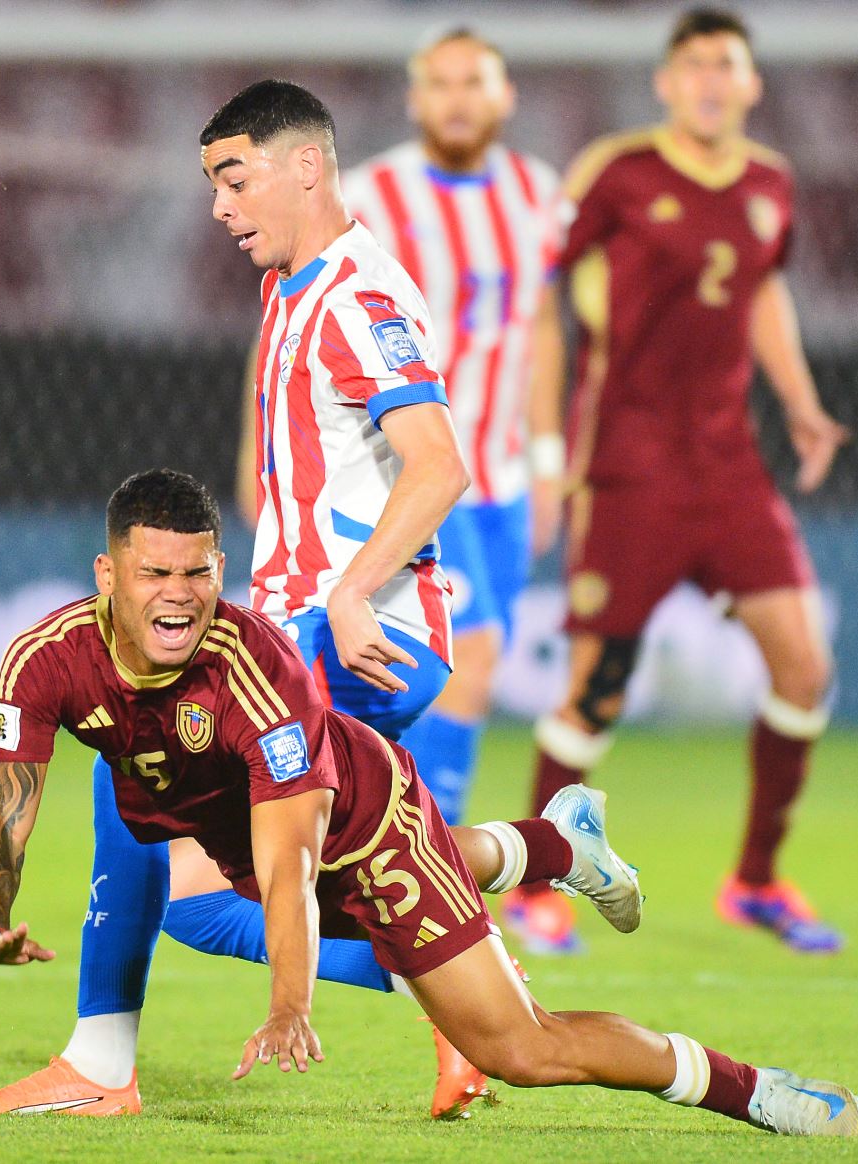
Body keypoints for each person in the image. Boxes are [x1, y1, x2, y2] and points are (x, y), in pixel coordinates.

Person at [0, 469, 858, 1138]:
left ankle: (754, 1091)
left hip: (365, 835)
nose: (178, 596)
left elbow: (292, 866)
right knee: (191, 901)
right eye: (154, 573)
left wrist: (289, 1005)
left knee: (525, 1049)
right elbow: (3, 797)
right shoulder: (47, 657)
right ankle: (554, 848)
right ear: (106, 574)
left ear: (219, 569)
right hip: (264, 843)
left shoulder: (254, 672)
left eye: (196, 574)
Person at [0, 80, 481, 1119]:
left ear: (306, 166)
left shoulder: (359, 300)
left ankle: (101, 1064)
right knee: (206, 904)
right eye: (212, 182)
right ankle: (475, 978)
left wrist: (350, 593)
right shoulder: (291, 287)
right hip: (297, 626)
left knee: (138, 779)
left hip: (357, 634)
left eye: (233, 177)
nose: (218, 206)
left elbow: (439, 467)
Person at [514, 7, 853, 955]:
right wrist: (544, 444)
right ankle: (537, 884)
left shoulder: (770, 185)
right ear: (665, 83)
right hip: (626, 464)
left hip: (730, 465)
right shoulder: (616, 173)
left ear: (751, 84)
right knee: (599, 686)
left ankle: (754, 881)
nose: (710, 80)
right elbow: (542, 298)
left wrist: (800, 400)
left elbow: (764, 294)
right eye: (694, 65)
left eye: (727, 66)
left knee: (805, 665)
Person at [318, 28, 564, 830]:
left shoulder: (537, 193)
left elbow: (543, 328)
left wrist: (551, 457)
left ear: (504, 96)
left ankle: (391, 836)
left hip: (506, 480)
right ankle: (433, 852)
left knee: (457, 671)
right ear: (415, 98)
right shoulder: (373, 194)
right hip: (415, 465)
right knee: (473, 655)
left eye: (474, 82)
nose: (458, 99)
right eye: (441, 83)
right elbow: (308, 300)